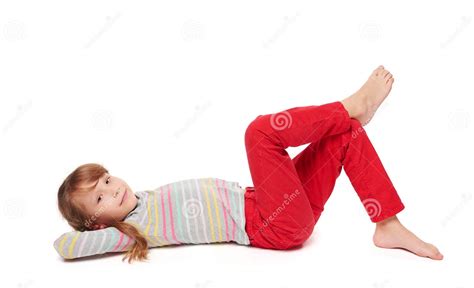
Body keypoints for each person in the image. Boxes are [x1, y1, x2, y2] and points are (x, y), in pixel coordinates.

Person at [55, 65, 443, 263]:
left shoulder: (142, 198)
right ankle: (350, 107)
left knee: (347, 136)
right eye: (99, 198)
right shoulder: (130, 230)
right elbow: (65, 246)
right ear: (95, 222)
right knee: (258, 133)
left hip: (275, 204)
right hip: (270, 223)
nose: (112, 188)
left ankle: (387, 225)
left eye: (105, 179)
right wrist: (89, 230)